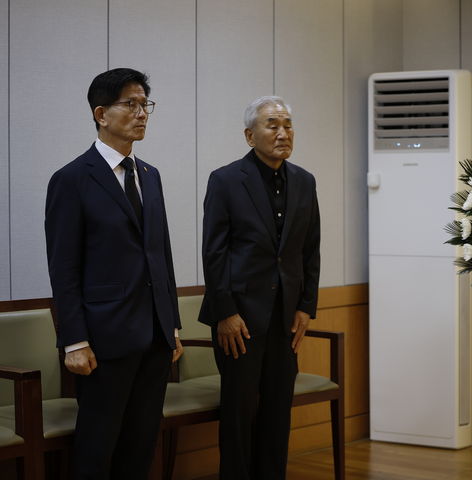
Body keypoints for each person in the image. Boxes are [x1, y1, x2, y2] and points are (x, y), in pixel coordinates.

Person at [45, 67, 183, 479]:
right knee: (97, 446)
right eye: (131, 104)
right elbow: (63, 267)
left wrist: (172, 324)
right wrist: (74, 339)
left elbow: (161, 255)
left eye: (146, 104)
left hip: (154, 336)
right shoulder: (71, 179)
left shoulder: (151, 176)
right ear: (101, 113)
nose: (141, 113)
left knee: (141, 445)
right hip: (103, 339)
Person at [199, 95, 321, 479]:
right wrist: (225, 313)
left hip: (285, 318)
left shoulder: (304, 181)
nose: (282, 133)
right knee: (238, 414)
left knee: (276, 411)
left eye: (287, 125)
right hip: (239, 320)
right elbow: (214, 253)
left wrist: (306, 306)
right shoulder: (226, 180)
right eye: (273, 125)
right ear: (250, 135)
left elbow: (310, 249)